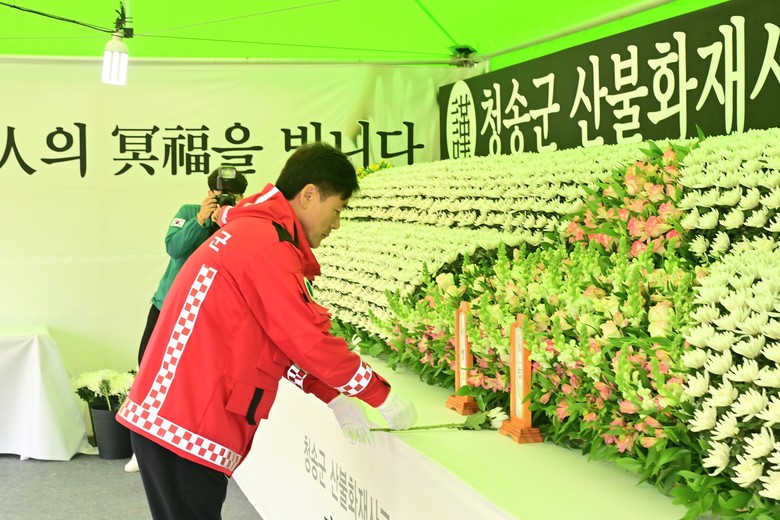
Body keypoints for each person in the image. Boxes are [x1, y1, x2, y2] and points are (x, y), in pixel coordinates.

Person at [116, 142, 417, 519]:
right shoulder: (265, 244)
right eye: (337, 209)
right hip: (186, 421)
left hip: (179, 417)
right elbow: (305, 338)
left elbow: (276, 340)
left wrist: (333, 395)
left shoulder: (254, 232)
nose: (336, 224)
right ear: (309, 195)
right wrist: (377, 393)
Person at [123, 167, 248, 473]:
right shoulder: (189, 212)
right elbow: (174, 247)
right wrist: (201, 220)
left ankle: (183, 448)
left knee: (192, 382)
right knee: (147, 369)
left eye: (232, 194)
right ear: (210, 192)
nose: (225, 199)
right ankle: (141, 448)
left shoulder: (242, 223)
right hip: (167, 305)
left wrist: (229, 220)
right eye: (220, 193)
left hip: (205, 316)